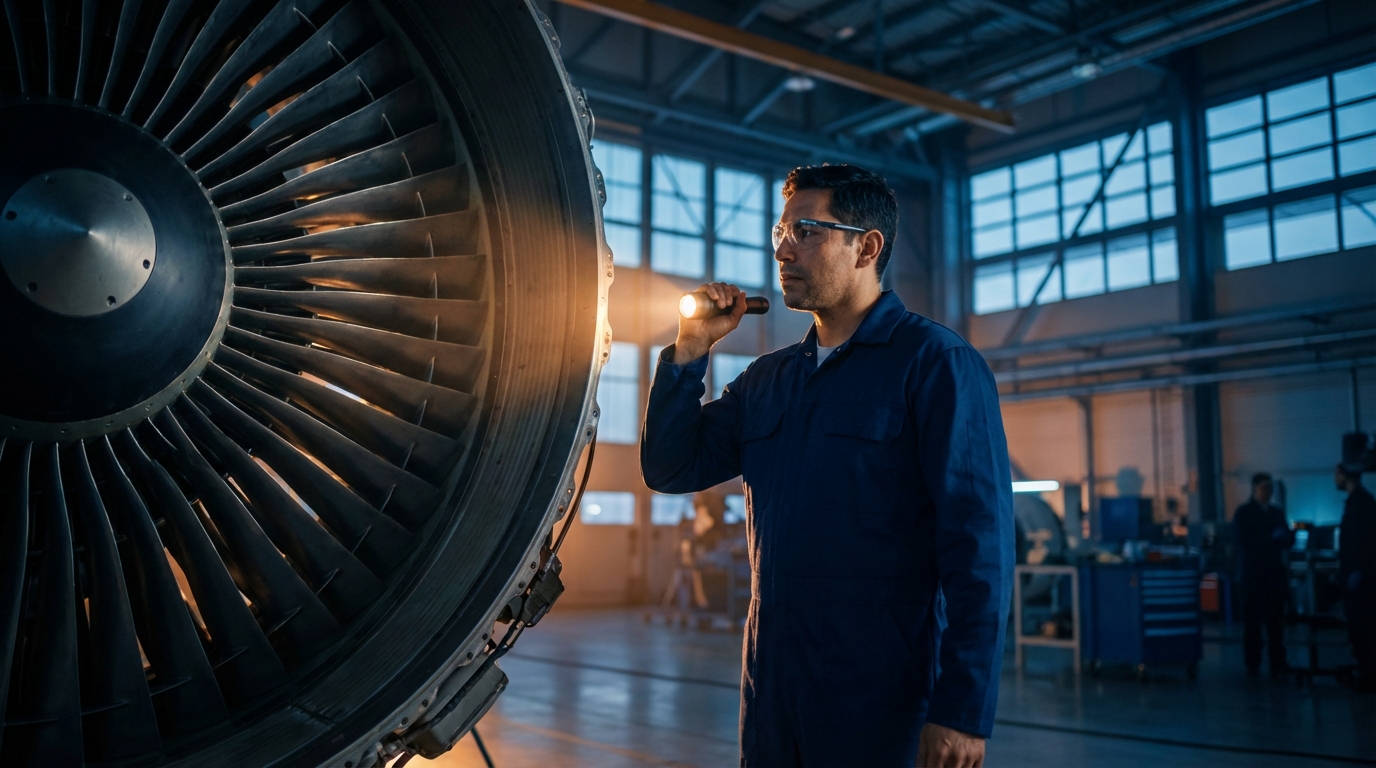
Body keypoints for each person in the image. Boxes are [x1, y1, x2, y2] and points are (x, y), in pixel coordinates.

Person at [641, 164, 1013, 768]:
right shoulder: (769, 380)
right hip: (773, 689)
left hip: (882, 699)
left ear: (866, 246)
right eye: (780, 232)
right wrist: (688, 353)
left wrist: (962, 710)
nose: (784, 249)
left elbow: (980, 548)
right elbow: (670, 467)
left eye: (807, 231)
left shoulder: (935, 365)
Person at [1231, 472, 1293, 679]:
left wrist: (1281, 538)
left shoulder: (1275, 512)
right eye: (1264, 487)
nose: (1268, 491)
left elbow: (1287, 539)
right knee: (1253, 624)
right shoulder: (1244, 513)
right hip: (1254, 576)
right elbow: (1244, 543)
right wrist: (1272, 538)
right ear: (1254, 489)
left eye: (1270, 488)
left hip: (1272, 576)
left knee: (1275, 623)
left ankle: (1277, 661)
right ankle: (1253, 662)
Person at [1336, 463, 1376, 693]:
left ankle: (1369, 675)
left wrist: (1358, 570)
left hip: (1361, 581)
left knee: (1364, 629)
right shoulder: (1362, 502)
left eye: (1337, 475)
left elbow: (1364, 542)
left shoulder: (1360, 504)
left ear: (1344, 476)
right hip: (1359, 576)